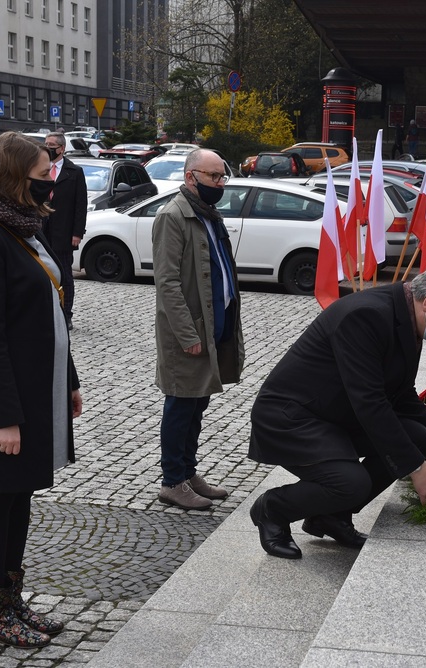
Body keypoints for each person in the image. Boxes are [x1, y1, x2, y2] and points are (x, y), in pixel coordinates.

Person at [247, 263, 426, 559]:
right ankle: (271, 509)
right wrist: (417, 469)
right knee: (351, 483)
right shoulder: (366, 314)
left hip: (335, 415)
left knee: (417, 436)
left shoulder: (406, 315)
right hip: (292, 417)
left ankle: (331, 516)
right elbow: (370, 402)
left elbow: (402, 395)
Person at [0, 131, 83, 647]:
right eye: (43, 176)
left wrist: (69, 379)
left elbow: (52, 310)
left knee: (20, 496)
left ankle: (12, 601)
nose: (53, 183)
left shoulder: (25, 227)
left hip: (37, 385)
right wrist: (5, 417)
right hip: (0, 393)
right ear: (15, 178)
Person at [152, 148, 244, 510]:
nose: (220, 183)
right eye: (214, 177)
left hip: (214, 327)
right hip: (188, 334)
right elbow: (168, 283)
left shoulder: (208, 214)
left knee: (197, 405)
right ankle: (172, 481)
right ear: (191, 177)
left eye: (223, 177)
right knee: (180, 405)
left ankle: (188, 473)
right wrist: (188, 335)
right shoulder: (173, 216)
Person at [41, 131, 87, 330]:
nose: (48, 147)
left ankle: (66, 314)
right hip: (41, 232)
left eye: (52, 144)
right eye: (46, 144)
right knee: (42, 275)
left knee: (65, 276)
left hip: (63, 233)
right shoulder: (39, 168)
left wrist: (77, 233)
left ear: (61, 148)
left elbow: (80, 205)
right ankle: (45, 312)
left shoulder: (74, 172)